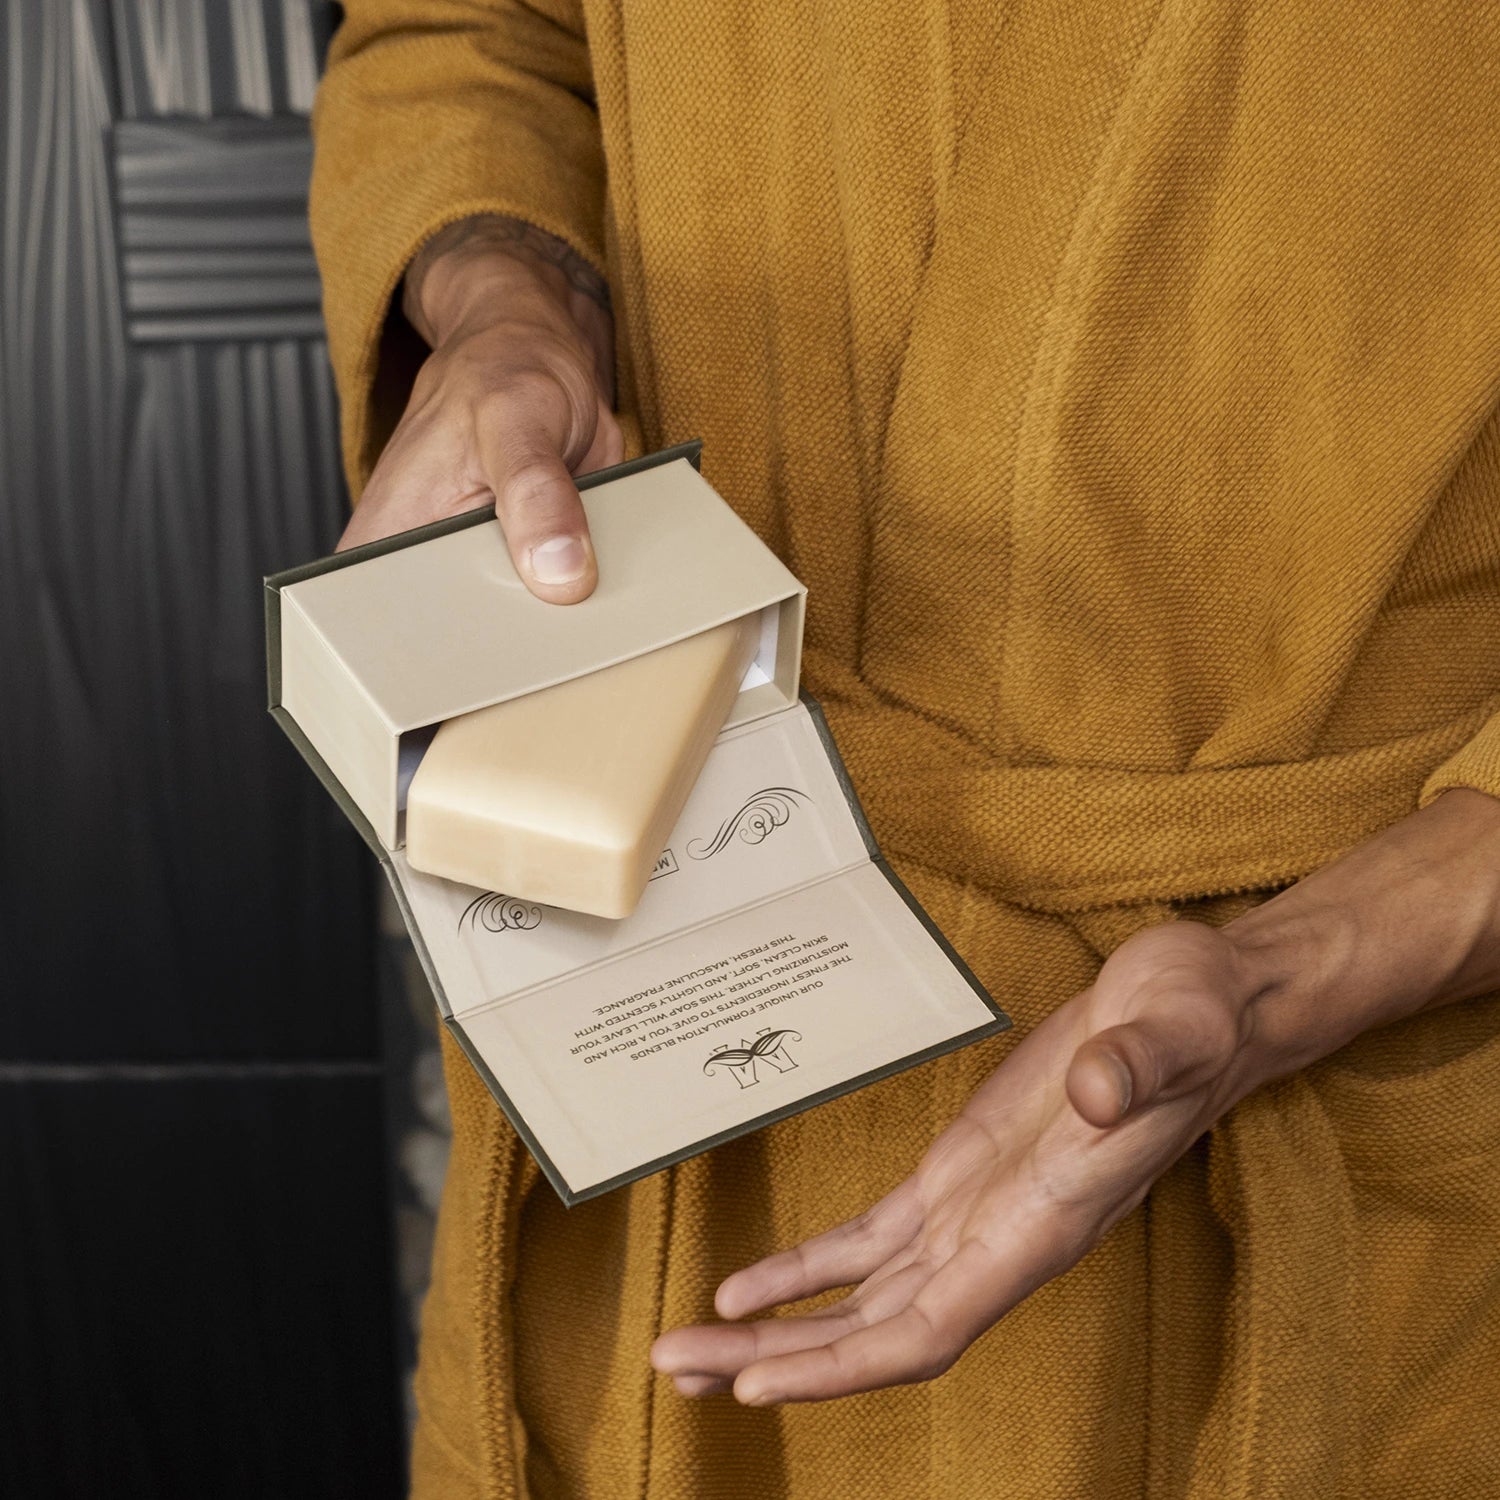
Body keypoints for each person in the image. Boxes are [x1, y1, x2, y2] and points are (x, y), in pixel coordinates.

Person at [309, 3, 1500, 1495]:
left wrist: (1300, 971)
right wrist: (503, 299)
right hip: (680, 992)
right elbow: (468, 34)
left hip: (1332, 1091)